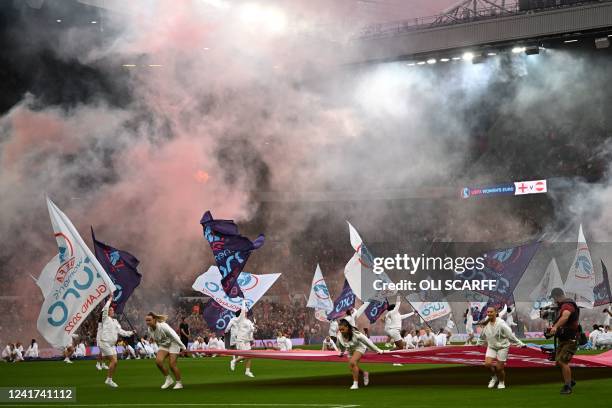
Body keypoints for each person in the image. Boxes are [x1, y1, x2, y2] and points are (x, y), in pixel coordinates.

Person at [478, 306, 525, 390]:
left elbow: (510, 335)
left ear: (496, 313)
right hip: (491, 346)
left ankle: (501, 382)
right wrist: (479, 342)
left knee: (499, 368)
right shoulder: (486, 322)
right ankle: (494, 377)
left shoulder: (502, 324)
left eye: (491, 312)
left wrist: (520, 344)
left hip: (502, 347)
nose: (489, 313)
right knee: (487, 364)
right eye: (488, 312)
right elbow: (482, 333)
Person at [548, 288, 580, 395]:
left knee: (562, 361)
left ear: (557, 296)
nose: (554, 300)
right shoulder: (564, 305)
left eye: (554, 298)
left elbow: (565, 317)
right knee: (558, 361)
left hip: (570, 339)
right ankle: (570, 380)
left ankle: (568, 386)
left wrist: (555, 327)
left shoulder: (567, 305)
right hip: (564, 339)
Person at [336, 319, 384, 390]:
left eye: (343, 329)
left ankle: (355, 384)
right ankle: (365, 373)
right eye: (340, 330)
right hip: (349, 350)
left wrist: (378, 350)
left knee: (352, 362)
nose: (341, 331)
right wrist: (342, 352)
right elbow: (341, 346)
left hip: (359, 347)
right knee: (352, 367)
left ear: (347, 327)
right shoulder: (339, 336)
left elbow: (368, 342)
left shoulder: (356, 334)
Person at [99, 298, 135, 387]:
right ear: (107, 312)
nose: (112, 311)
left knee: (115, 362)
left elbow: (122, 332)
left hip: (112, 345)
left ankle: (110, 379)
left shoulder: (115, 321)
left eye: (112, 310)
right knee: (114, 361)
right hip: (105, 343)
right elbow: (105, 308)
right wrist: (110, 299)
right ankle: (108, 379)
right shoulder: (105, 318)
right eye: (110, 310)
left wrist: (131, 332)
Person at [146, 312, 187, 390]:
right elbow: (156, 339)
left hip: (173, 343)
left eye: (149, 320)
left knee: (172, 365)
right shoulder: (149, 329)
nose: (147, 322)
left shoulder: (163, 326)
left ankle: (179, 383)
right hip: (164, 344)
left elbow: (175, 336)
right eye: (146, 320)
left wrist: (184, 348)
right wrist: (159, 348)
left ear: (154, 320)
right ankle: (168, 379)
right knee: (158, 361)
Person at [230, 301, 256, 377]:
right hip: (241, 340)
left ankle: (247, 371)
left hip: (247, 340)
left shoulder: (249, 321)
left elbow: (252, 330)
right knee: (245, 355)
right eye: (244, 312)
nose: (246, 313)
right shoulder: (240, 319)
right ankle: (234, 361)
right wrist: (243, 301)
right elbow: (243, 309)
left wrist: (254, 328)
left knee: (250, 356)